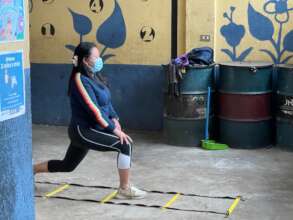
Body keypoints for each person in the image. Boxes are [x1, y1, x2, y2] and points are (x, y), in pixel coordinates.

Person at [33, 42, 147, 199]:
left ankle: (31, 170)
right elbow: (94, 109)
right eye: (97, 57)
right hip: (83, 131)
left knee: (67, 165)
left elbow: (106, 102)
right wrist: (113, 130)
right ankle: (124, 188)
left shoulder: (95, 77)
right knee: (124, 144)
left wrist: (115, 119)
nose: (100, 60)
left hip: (93, 128)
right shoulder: (79, 80)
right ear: (85, 60)